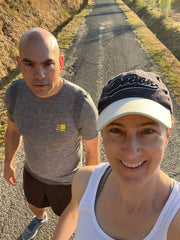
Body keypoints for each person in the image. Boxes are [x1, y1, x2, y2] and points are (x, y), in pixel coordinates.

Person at [53, 69, 180, 240]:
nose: (131, 150)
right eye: (116, 130)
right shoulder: (84, 182)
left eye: (148, 131)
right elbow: (74, 213)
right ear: (102, 134)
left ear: (167, 135)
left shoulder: (176, 218)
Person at [3, 27, 100, 240]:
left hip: (68, 181)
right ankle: (40, 219)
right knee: (34, 205)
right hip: (32, 173)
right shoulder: (15, 93)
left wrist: (88, 189)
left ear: (61, 63)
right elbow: (12, 130)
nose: (39, 75)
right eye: (29, 64)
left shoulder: (80, 104)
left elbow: (93, 151)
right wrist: (8, 162)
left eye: (48, 64)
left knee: (69, 220)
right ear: (19, 64)